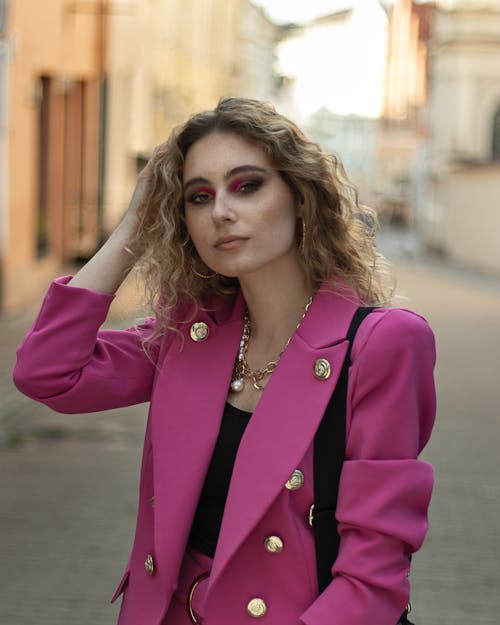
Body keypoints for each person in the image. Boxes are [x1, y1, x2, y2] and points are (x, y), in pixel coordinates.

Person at [13, 97, 436, 625]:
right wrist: (134, 231)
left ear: (300, 197)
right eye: (197, 197)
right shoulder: (190, 333)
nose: (221, 212)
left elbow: (372, 583)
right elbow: (48, 372)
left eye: (247, 185)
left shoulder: (382, 344)